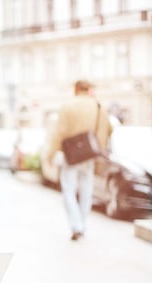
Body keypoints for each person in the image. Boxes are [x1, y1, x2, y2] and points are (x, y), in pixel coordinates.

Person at [45, 80, 113, 241]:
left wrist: (50, 155)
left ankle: (76, 225)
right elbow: (109, 128)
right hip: (90, 155)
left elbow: (58, 132)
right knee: (86, 190)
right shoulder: (98, 106)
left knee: (68, 189)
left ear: (76, 89)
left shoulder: (68, 106)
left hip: (72, 156)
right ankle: (82, 224)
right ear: (88, 89)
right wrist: (99, 145)